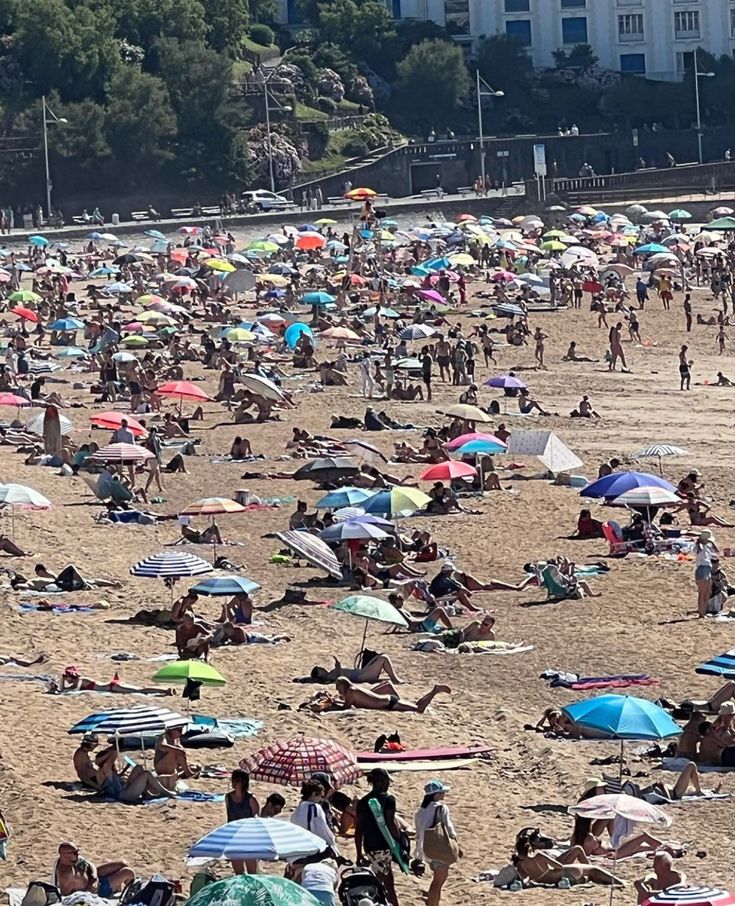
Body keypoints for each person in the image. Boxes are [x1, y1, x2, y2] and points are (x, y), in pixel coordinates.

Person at [512, 828, 623, 887]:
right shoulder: (538, 855)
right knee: (593, 869)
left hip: (551, 880)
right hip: (563, 874)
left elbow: (525, 879)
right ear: (529, 848)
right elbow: (559, 866)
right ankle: (619, 882)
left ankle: (585, 879)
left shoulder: (519, 863)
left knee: (587, 874)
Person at [355, 769, 403, 906]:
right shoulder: (388, 799)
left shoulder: (363, 802)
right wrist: (399, 844)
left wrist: (359, 853)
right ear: (384, 782)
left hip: (369, 846)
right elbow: (390, 824)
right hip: (384, 845)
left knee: (380, 881)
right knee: (388, 885)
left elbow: (359, 830)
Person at [414, 780, 461, 906]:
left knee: (436, 880)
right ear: (435, 795)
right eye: (442, 792)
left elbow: (418, 835)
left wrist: (418, 856)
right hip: (439, 849)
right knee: (438, 882)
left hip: (427, 850)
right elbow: (449, 828)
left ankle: (431, 902)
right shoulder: (441, 808)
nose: (444, 794)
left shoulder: (419, 813)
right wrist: (457, 844)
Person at [53, 842, 134, 897]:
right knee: (128, 872)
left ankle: (117, 890)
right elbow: (66, 897)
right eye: (75, 853)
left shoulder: (70, 860)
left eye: (77, 851)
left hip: (93, 877)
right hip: (99, 889)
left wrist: (93, 877)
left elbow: (90, 865)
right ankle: (129, 898)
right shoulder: (66, 875)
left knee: (122, 864)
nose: (77, 854)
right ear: (63, 855)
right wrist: (90, 890)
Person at [334, 677, 450, 713]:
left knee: (419, 709)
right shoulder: (353, 689)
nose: (338, 691)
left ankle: (435, 691)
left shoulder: (351, 691)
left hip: (388, 703)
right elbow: (347, 704)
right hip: (387, 700)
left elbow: (346, 707)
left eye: (338, 688)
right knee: (415, 706)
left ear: (343, 685)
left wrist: (332, 703)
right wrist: (335, 701)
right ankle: (433, 691)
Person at [226, 770, 260, 874]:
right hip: (234, 835)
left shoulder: (251, 799)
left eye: (236, 781)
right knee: (238, 872)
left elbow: (256, 818)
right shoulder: (228, 797)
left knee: (252, 872)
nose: (234, 783)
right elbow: (229, 817)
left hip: (248, 836)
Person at [294, 653, 404, 685]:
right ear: (319, 675)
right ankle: (395, 678)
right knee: (383, 658)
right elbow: (339, 675)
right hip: (361, 676)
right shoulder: (330, 677)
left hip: (360, 673)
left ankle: (393, 677)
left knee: (378, 657)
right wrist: (338, 665)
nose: (322, 668)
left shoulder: (330, 675)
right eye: (320, 669)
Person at [291, 779, 338, 852]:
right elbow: (323, 831)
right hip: (310, 847)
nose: (321, 799)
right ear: (313, 794)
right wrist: (332, 842)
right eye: (320, 796)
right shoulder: (315, 808)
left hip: (297, 845)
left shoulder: (300, 807)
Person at [695, 529, 718, 617]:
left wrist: (711, 543)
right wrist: (700, 541)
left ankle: (703, 610)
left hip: (707, 568)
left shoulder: (708, 547)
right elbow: (698, 549)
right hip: (702, 568)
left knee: (708, 591)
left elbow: (716, 552)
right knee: (702, 592)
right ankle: (701, 612)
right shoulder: (698, 546)